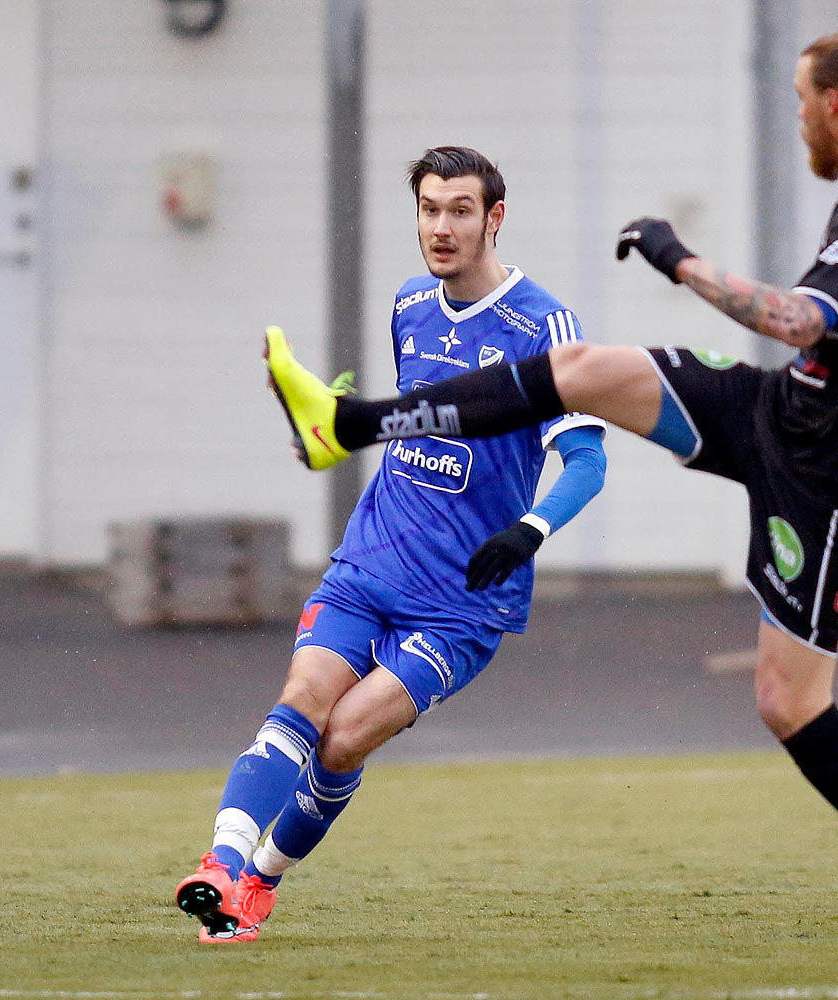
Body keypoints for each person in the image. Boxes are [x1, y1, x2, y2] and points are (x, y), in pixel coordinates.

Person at [266, 34, 838, 979]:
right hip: (775, 412)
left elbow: (798, 319)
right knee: (580, 371)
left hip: (827, 478)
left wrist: (679, 258)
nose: (798, 113)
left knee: (788, 703)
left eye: (802, 98)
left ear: (836, 107)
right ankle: (353, 424)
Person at [178, 146, 608, 943]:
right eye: (428, 209)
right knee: (303, 701)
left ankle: (260, 881)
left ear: (494, 218)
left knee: (343, 739)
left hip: (462, 602)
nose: (440, 228)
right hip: (370, 561)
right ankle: (219, 868)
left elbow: (587, 461)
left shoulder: (542, 326)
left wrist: (528, 529)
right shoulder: (410, 304)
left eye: (458, 211)